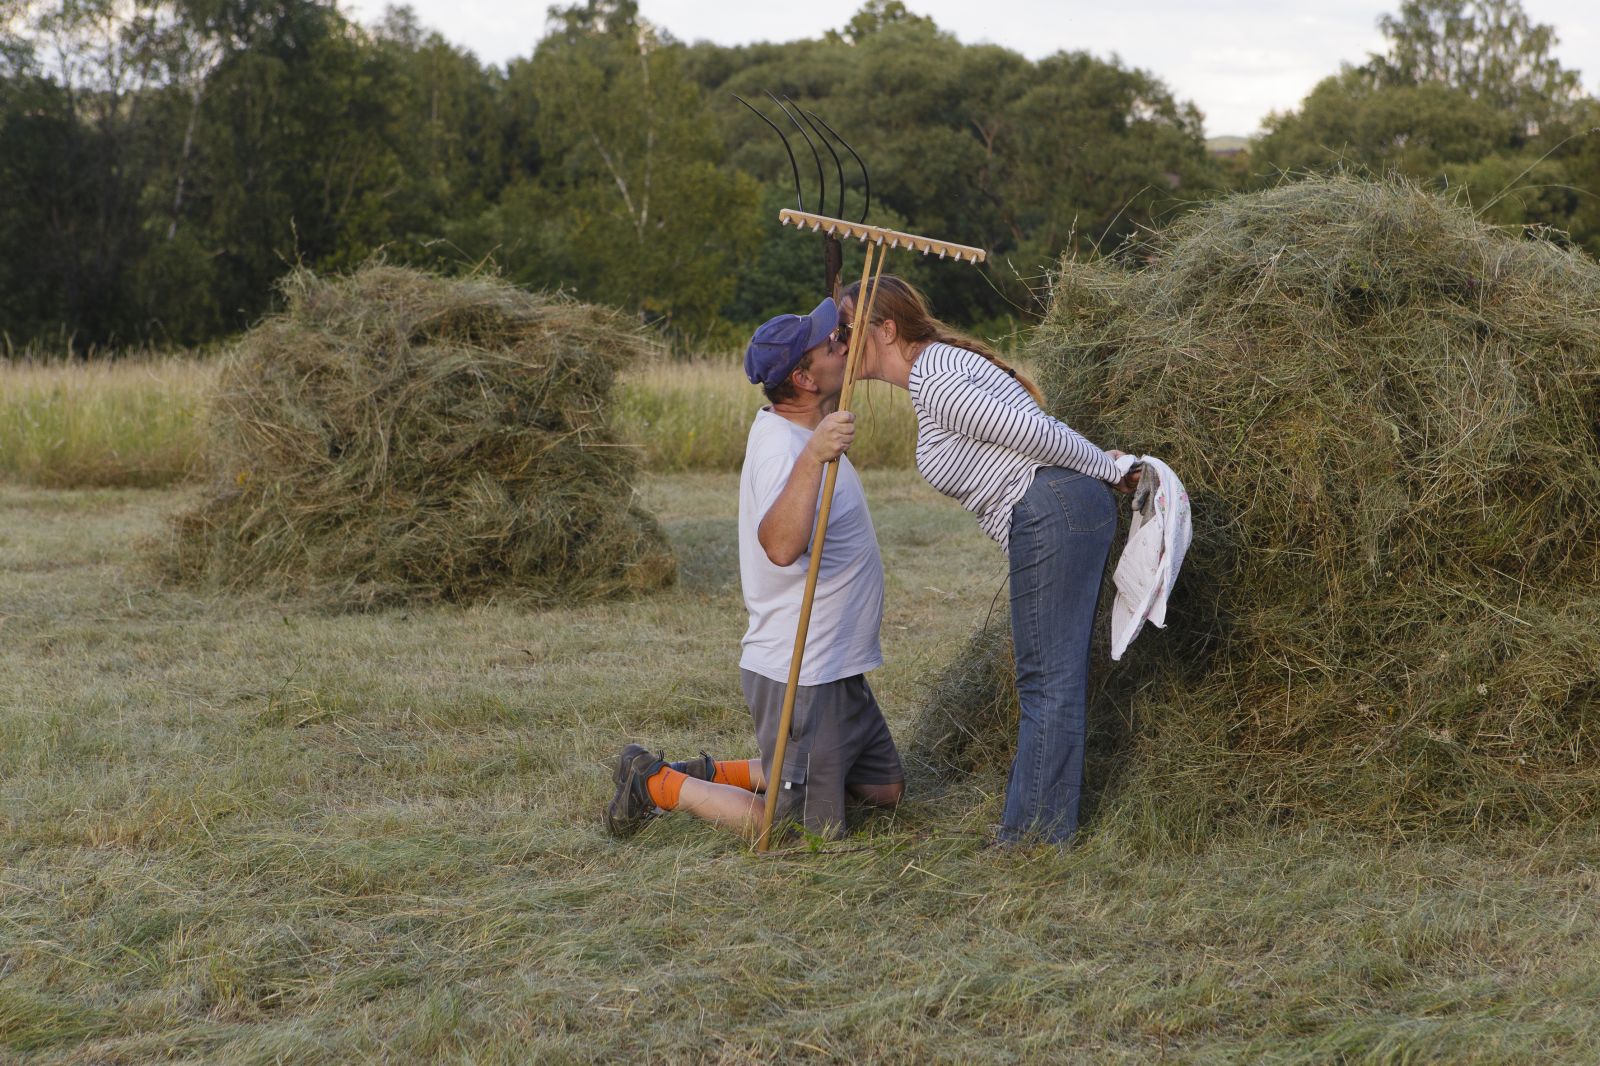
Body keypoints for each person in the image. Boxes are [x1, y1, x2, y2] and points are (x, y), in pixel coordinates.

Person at [839, 275, 1138, 846]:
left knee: (1048, 680)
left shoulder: (935, 380)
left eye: (846, 328)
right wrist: (1101, 466)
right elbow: (1033, 429)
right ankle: (1034, 829)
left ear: (885, 329)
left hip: (1050, 507)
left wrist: (1105, 466)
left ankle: (1035, 839)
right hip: (1057, 507)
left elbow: (1031, 432)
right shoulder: (941, 368)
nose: (839, 339)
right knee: (1051, 678)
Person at [605, 296, 905, 842]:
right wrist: (815, 456)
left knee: (884, 790)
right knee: (790, 833)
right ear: (803, 379)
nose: (841, 341)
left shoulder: (798, 426)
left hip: (836, 664)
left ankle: (725, 772)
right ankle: (654, 784)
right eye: (829, 342)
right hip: (803, 670)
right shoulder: (788, 451)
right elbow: (780, 545)